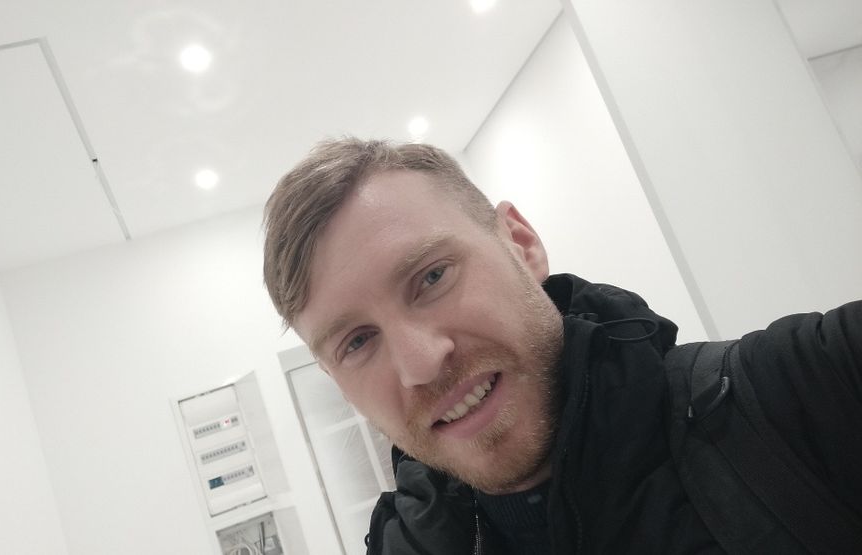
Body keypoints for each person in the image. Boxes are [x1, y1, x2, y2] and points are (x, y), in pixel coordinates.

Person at [261, 137, 862, 553]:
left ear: (521, 244)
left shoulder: (796, 398)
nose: (420, 364)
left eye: (432, 277)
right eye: (357, 341)